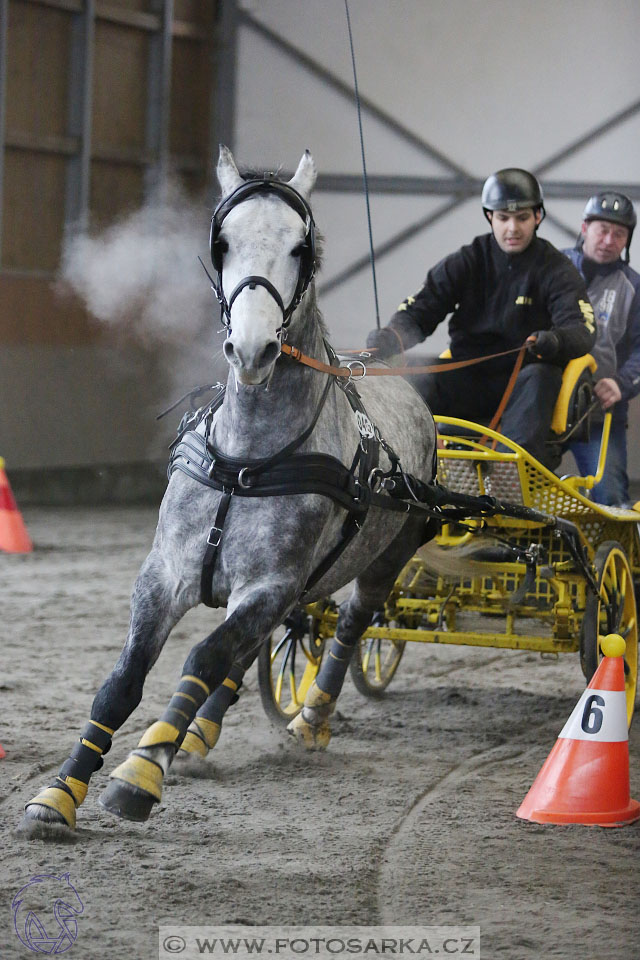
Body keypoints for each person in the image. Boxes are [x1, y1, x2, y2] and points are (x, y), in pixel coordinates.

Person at [367, 168, 596, 467]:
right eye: (503, 218)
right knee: (410, 378)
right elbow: (421, 310)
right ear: (490, 217)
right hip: (469, 379)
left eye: (522, 218)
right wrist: (391, 337)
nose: (512, 228)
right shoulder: (468, 260)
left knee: (541, 375)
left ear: (538, 217)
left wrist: (554, 341)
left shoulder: (556, 268)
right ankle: (397, 466)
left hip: (524, 385)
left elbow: (581, 328)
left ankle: (510, 473)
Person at [562, 193, 640, 506]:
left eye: (618, 234)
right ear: (584, 227)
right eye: (602, 230)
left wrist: (621, 383)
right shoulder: (553, 268)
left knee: (609, 497)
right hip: (539, 406)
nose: (608, 240)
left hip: (598, 412)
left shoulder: (633, 287)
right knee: (508, 485)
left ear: (627, 241)